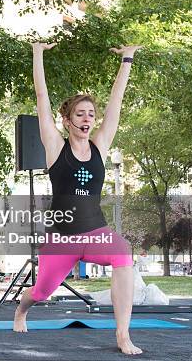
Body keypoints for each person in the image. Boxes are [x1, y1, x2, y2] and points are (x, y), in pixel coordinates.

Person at [13, 42, 142, 355]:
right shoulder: (56, 148)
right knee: (42, 291)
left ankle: (123, 335)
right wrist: (38, 53)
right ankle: (21, 308)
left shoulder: (99, 146)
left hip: (95, 232)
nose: (87, 118)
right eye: (80, 114)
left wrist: (127, 59)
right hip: (61, 238)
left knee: (124, 254)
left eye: (91, 114)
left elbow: (117, 104)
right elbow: (42, 98)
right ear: (67, 121)